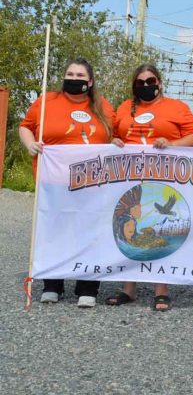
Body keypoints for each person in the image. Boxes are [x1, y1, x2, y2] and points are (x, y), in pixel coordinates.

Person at [19, 58, 114, 308]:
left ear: (90, 81)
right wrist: (30, 144)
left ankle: (87, 285)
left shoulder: (102, 106)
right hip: (54, 182)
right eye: (70, 74)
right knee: (54, 232)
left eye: (80, 75)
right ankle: (52, 284)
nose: (74, 78)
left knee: (89, 232)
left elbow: (117, 136)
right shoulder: (46, 101)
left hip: (92, 183)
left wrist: (115, 145)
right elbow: (25, 127)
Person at [105, 64, 193, 311]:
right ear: (134, 85)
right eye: (140, 82)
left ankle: (161, 288)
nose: (146, 86)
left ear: (159, 82)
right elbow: (115, 134)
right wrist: (113, 141)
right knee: (129, 227)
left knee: (159, 225)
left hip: (164, 176)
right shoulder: (125, 107)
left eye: (150, 81)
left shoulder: (177, 107)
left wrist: (172, 143)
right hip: (130, 178)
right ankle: (129, 287)